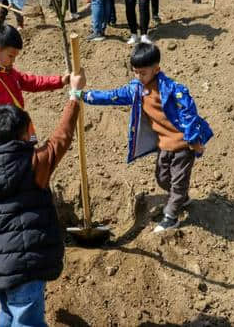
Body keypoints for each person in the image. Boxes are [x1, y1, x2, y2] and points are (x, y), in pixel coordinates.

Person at [0, 68, 86, 327]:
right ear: (26, 132)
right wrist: (75, 95)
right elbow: (61, 138)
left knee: (6, 313)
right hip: (26, 264)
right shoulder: (35, 163)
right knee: (27, 320)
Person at [83, 44, 213, 232]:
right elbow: (113, 96)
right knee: (162, 178)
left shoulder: (174, 91)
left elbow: (189, 116)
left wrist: (194, 142)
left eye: (142, 73)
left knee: (178, 182)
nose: (138, 77)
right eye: (135, 72)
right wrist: (85, 96)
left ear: (156, 69)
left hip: (183, 145)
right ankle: (182, 198)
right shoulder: (137, 90)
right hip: (164, 145)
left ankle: (171, 216)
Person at [0, 23, 70, 142]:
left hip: (17, 129)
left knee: (28, 153)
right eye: (11, 56)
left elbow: (30, 82)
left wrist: (60, 81)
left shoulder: (6, 70)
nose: (13, 61)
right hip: (3, 137)